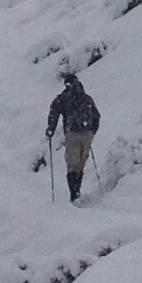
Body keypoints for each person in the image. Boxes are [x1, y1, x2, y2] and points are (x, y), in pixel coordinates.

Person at [46, 69, 102, 203]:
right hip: (87, 133)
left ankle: (74, 192)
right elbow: (96, 116)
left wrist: (50, 129)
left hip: (72, 133)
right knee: (81, 162)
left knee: (72, 163)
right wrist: (92, 130)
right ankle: (77, 189)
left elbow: (54, 113)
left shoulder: (62, 98)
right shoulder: (86, 98)